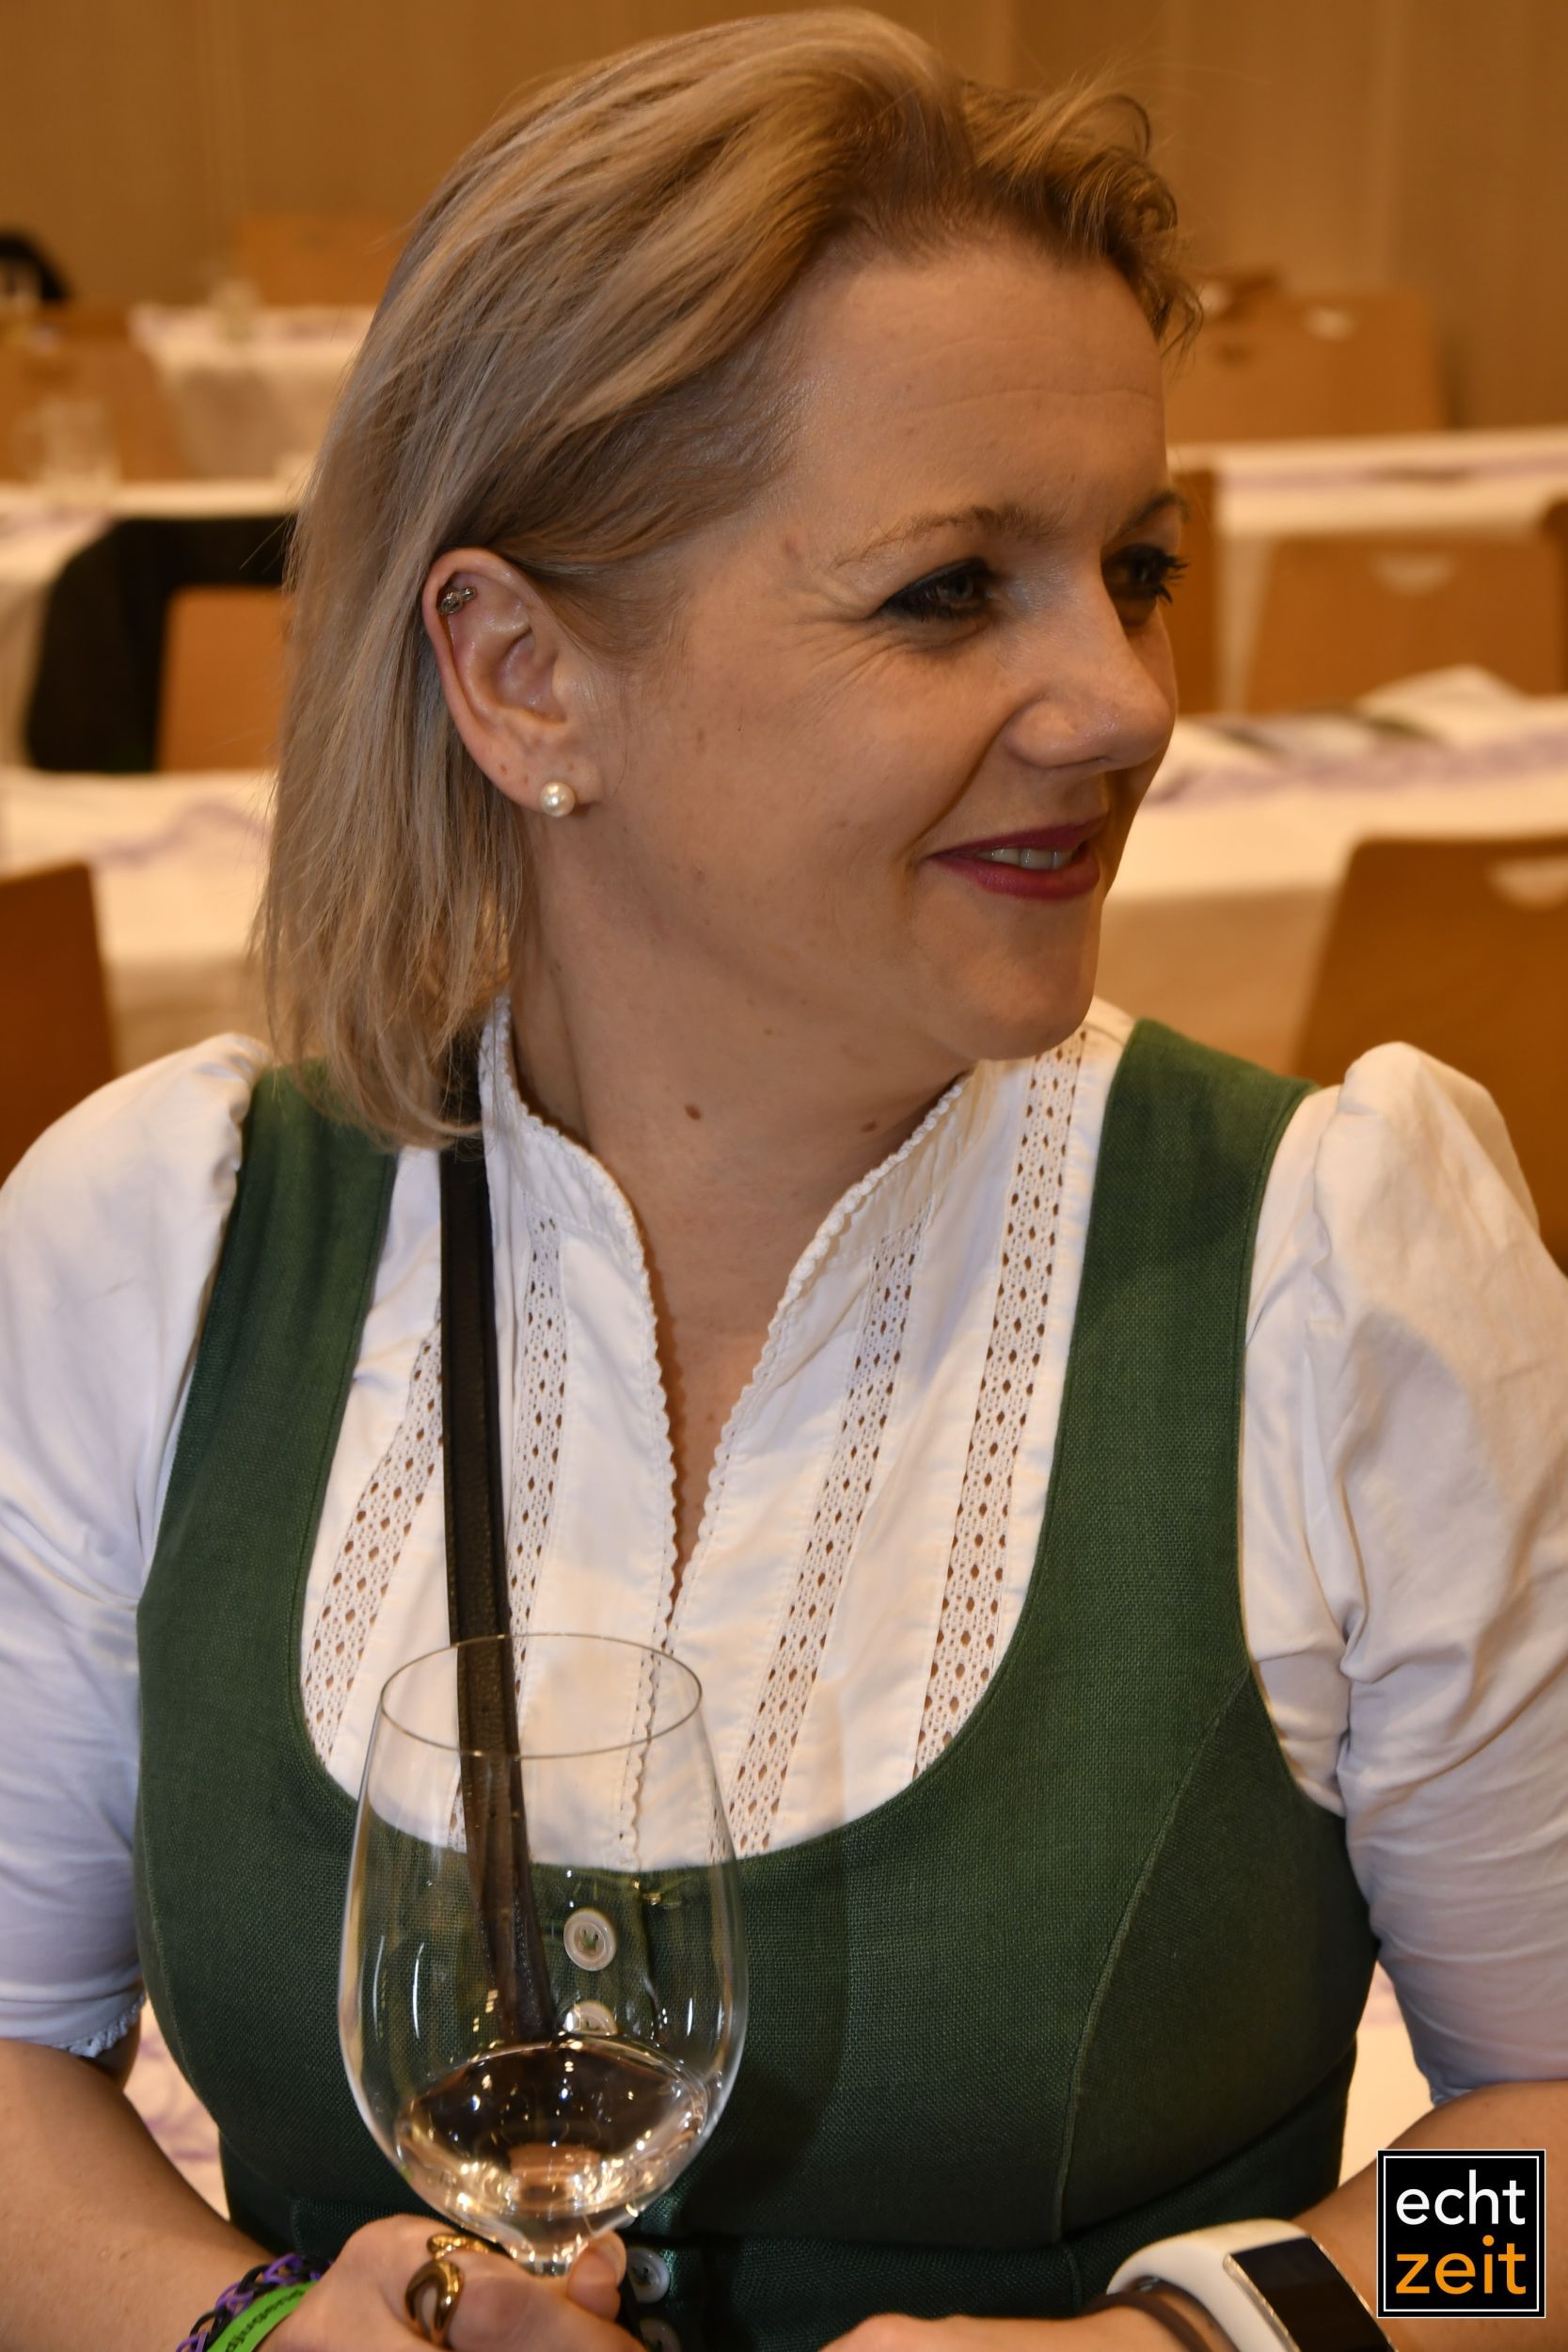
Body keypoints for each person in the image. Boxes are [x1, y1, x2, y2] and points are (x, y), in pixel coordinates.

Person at [1, 15, 1564, 2352]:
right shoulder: (164, 1243)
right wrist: (237, 2326)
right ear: (524, 675)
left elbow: (1546, 2156)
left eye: (1134, 567)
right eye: (950, 590)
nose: (1130, 700)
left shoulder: (1337, 1262)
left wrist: (1213, 2342)